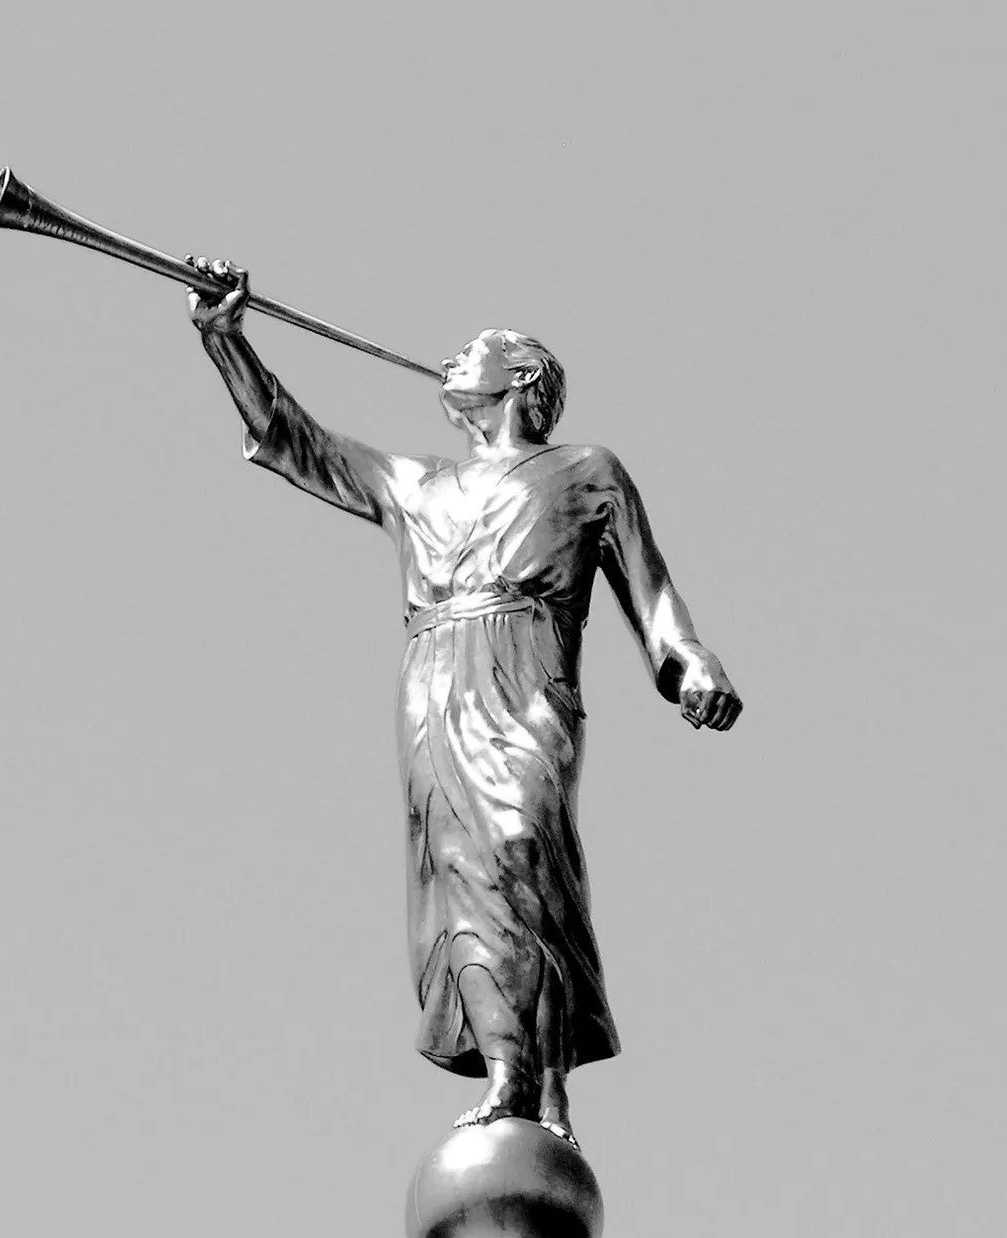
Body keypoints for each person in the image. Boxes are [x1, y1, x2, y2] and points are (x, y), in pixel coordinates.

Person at [187, 258, 742, 1145]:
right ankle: (509, 1074)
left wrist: (692, 663)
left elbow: (652, 591)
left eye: (472, 352)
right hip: (435, 685)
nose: (452, 359)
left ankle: (547, 1083)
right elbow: (298, 441)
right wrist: (226, 338)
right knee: (461, 872)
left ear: (520, 378)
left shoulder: (586, 471)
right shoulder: (419, 485)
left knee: (524, 845)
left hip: (526, 678)